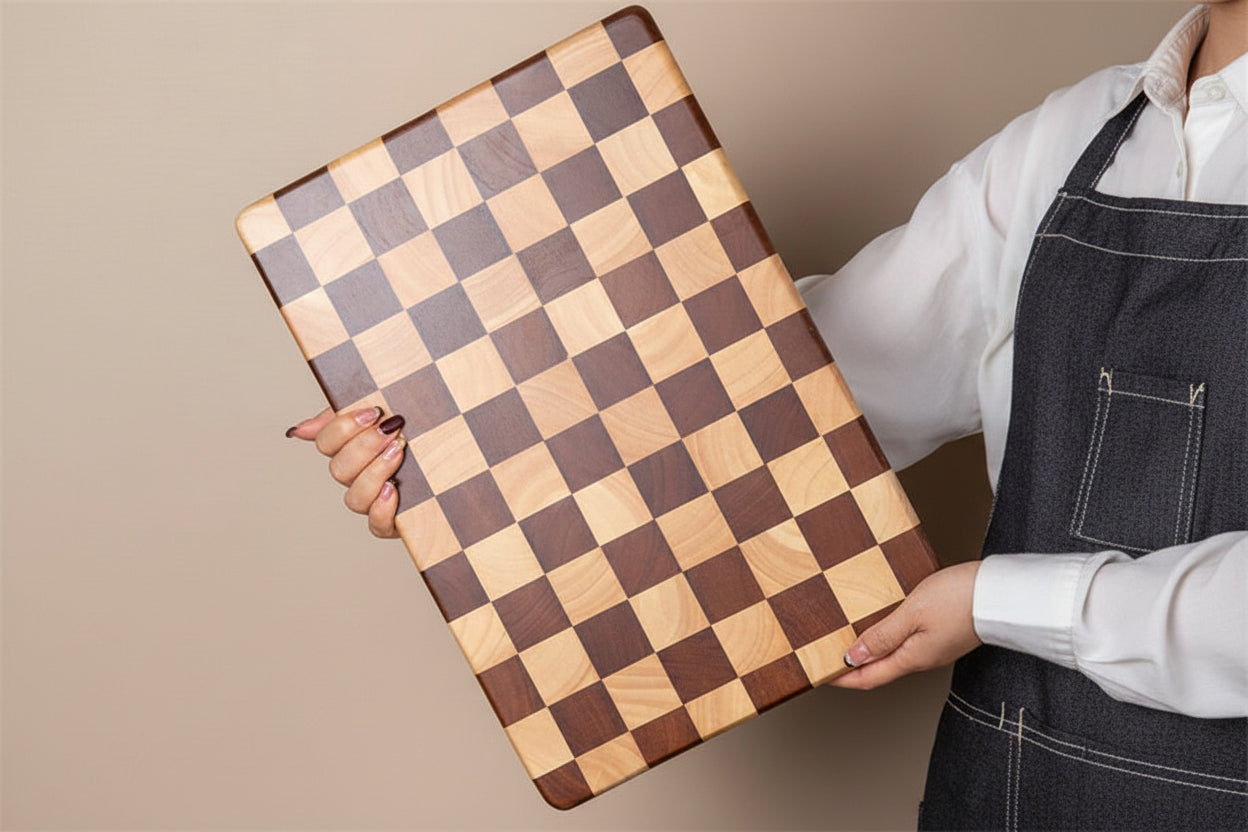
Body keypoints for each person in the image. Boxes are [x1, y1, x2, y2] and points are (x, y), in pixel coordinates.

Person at [287, 2, 1247, 827]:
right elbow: (788, 395)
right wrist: (454, 443)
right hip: (1009, 788)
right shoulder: (1072, 136)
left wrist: (993, 602)